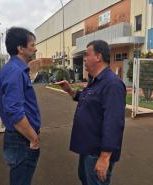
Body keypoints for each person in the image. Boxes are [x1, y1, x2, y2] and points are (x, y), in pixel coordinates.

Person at [56, 40, 126, 185]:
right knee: (85, 179)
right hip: (87, 149)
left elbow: (114, 122)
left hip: (97, 153)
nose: (84, 59)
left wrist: (105, 157)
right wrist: (70, 91)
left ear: (98, 57)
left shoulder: (112, 84)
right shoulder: (95, 80)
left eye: (87, 55)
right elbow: (87, 98)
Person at [0, 27, 41, 185]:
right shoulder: (15, 71)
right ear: (20, 48)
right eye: (32, 45)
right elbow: (15, 113)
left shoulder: (16, 69)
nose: (35, 48)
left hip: (21, 138)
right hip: (21, 140)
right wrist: (34, 138)